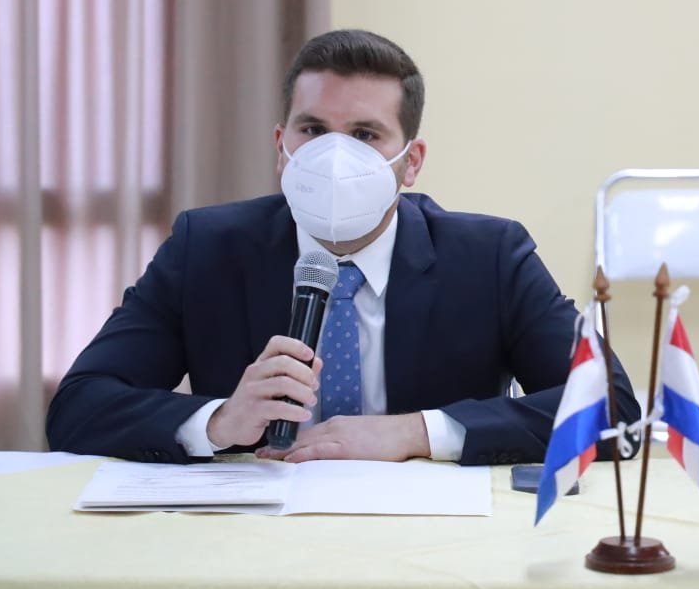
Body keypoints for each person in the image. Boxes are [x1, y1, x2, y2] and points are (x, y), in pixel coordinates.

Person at [47, 29, 640, 465]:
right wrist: (220, 421)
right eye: (312, 130)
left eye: (364, 135)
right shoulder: (207, 247)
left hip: (429, 538)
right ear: (282, 147)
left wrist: (416, 433)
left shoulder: (488, 256)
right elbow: (78, 408)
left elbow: (613, 406)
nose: (334, 157)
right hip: (253, 534)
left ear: (411, 162)